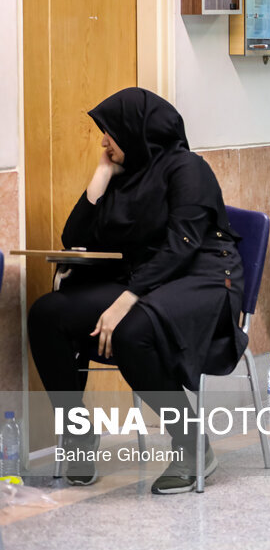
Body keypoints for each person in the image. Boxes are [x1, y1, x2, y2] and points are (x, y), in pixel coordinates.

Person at [28, 88, 246, 495]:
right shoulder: (126, 176)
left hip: (202, 276)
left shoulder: (188, 168)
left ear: (136, 130)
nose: (104, 141)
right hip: (145, 278)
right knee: (47, 313)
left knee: (131, 331)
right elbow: (75, 239)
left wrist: (125, 300)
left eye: (109, 131)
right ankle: (78, 432)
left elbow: (182, 245)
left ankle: (191, 443)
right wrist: (101, 174)